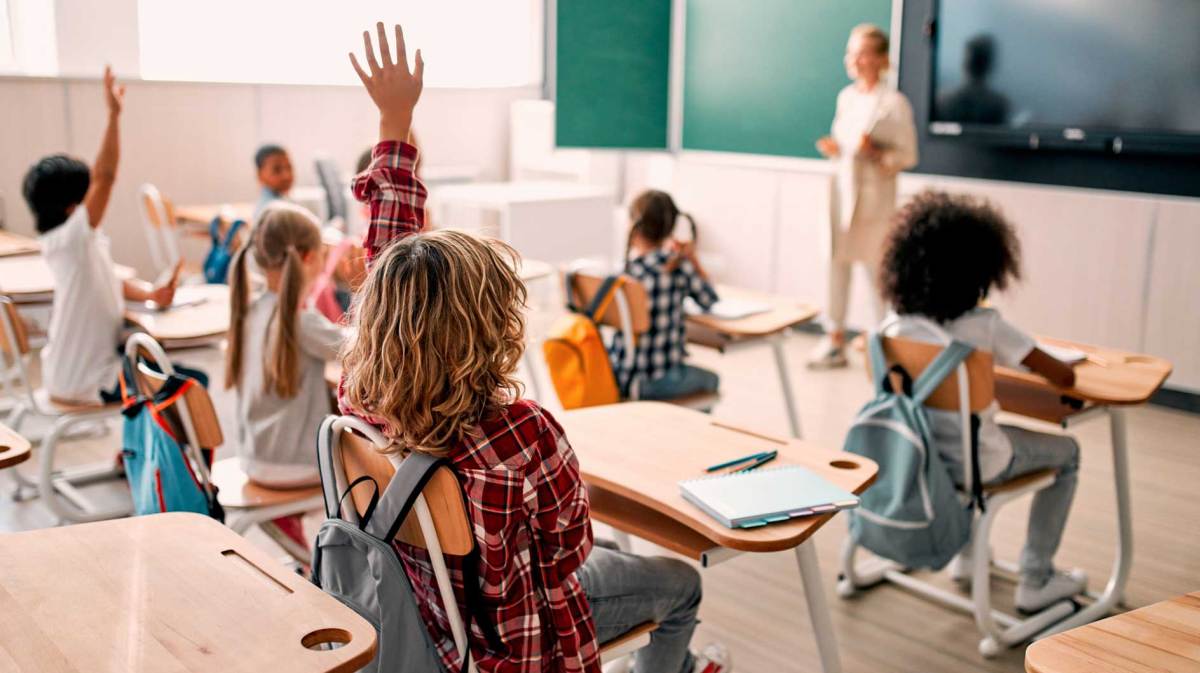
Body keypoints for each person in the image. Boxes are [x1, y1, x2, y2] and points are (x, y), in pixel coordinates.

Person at [338, 23, 730, 673]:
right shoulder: (524, 432)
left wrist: (394, 121)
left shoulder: (365, 396)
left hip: (422, 614)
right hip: (512, 641)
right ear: (494, 326)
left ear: (379, 318)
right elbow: (571, 554)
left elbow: (395, 264)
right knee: (681, 583)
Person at [878, 190, 1086, 613]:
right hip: (981, 462)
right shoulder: (985, 324)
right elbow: (1062, 375)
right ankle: (1037, 576)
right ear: (982, 266)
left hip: (919, 455)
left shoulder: (896, 325)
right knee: (1069, 454)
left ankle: (967, 557)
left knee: (964, 438)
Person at [21, 65, 202, 404]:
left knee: (173, 375)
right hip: (86, 378)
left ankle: (140, 454)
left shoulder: (76, 244)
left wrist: (150, 293)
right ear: (71, 204)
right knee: (191, 386)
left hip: (76, 369)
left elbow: (110, 279)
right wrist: (114, 116)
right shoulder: (72, 238)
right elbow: (105, 176)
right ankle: (146, 456)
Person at [810, 24, 918, 369]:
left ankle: (888, 343)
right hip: (841, 195)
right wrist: (835, 150)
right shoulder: (847, 97)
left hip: (874, 201)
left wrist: (873, 152)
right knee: (835, 266)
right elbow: (845, 147)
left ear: (881, 59)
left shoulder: (894, 103)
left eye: (861, 52)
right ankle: (834, 339)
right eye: (850, 52)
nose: (853, 60)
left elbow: (907, 156)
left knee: (877, 272)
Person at [609, 190, 720, 401]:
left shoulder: (624, 272)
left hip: (622, 376)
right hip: (660, 381)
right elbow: (710, 300)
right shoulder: (676, 267)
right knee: (712, 380)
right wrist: (693, 259)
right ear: (671, 228)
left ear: (633, 226)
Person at [253, 144, 295, 220]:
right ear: (260, 175)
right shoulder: (271, 212)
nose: (286, 175)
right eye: (277, 170)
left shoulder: (283, 201)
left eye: (289, 167)